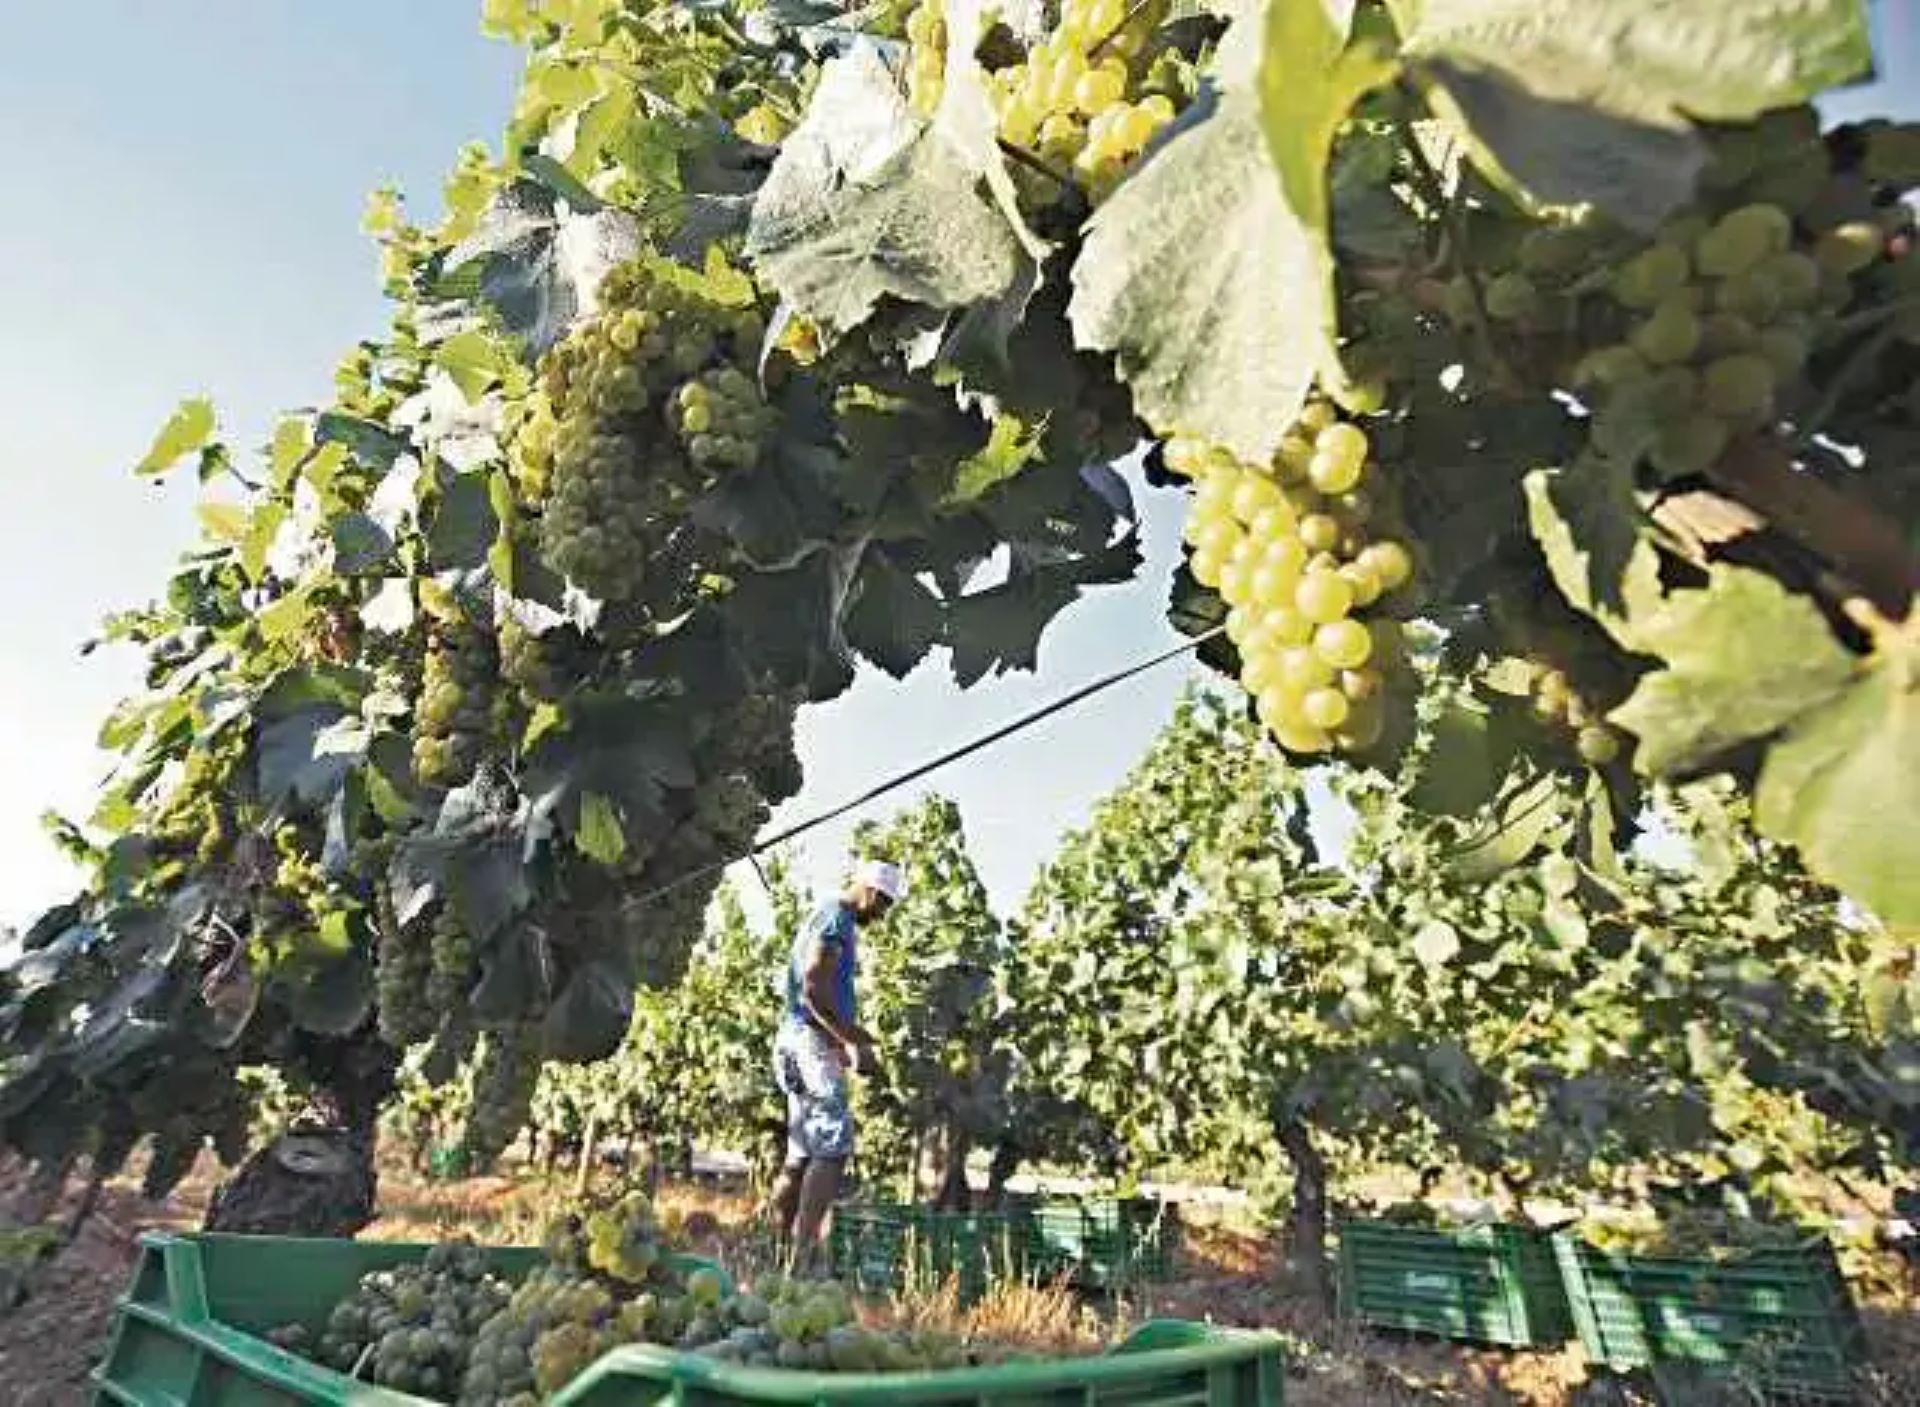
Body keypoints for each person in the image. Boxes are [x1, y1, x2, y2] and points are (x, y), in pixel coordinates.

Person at [765, 857, 903, 1266]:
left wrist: (837, 1042)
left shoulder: (823, 914)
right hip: (808, 1042)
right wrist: (854, 1040)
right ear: (872, 892)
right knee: (832, 1149)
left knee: (801, 1153)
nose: (881, 916)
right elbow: (812, 989)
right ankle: (803, 1255)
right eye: (883, 905)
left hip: (795, 1040)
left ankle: (775, 1250)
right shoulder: (836, 922)